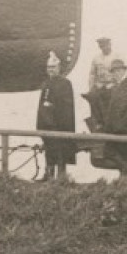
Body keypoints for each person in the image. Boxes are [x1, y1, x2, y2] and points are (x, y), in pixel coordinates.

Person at [36, 52, 76, 181]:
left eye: (53, 67)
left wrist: (53, 108)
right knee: (49, 151)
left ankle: (61, 177)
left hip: (59, 125)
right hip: (46, 124)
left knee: (60, 152)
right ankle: (48, 174)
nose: (51, 70)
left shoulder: (65, 84)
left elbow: (66, 106)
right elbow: (41, 105)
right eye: (49, 68)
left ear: (59, 68)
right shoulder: (46, 83)